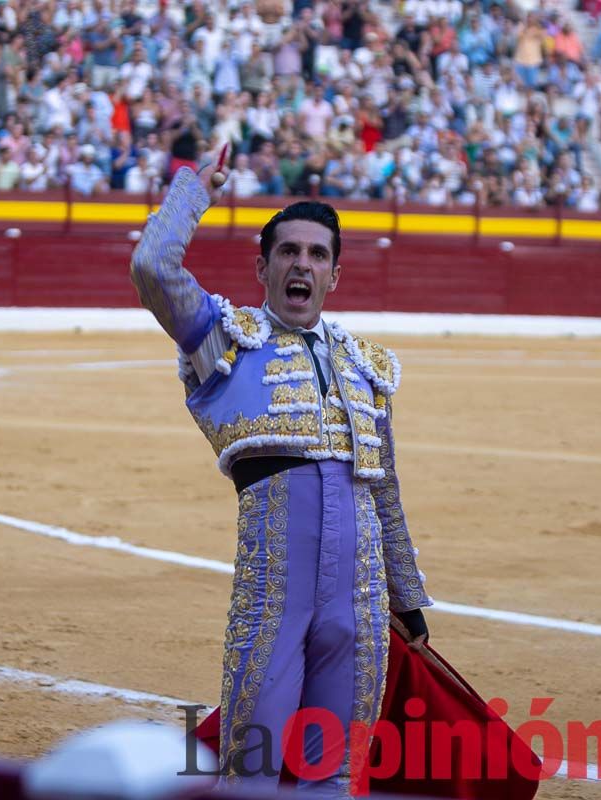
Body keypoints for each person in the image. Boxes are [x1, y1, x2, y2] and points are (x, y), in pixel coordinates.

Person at [129, 157, 431, 791]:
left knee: (337, 769)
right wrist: (192, 191)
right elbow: (153, 268)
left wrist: (404, 598)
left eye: (318, 255)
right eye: (288, 252)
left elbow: (387, 493)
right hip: (274, 594)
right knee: (254, 765)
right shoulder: (225, 342)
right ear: (262, 269)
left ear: (334, 275)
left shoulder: (366, 366)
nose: (302, 265)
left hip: (362, 597)